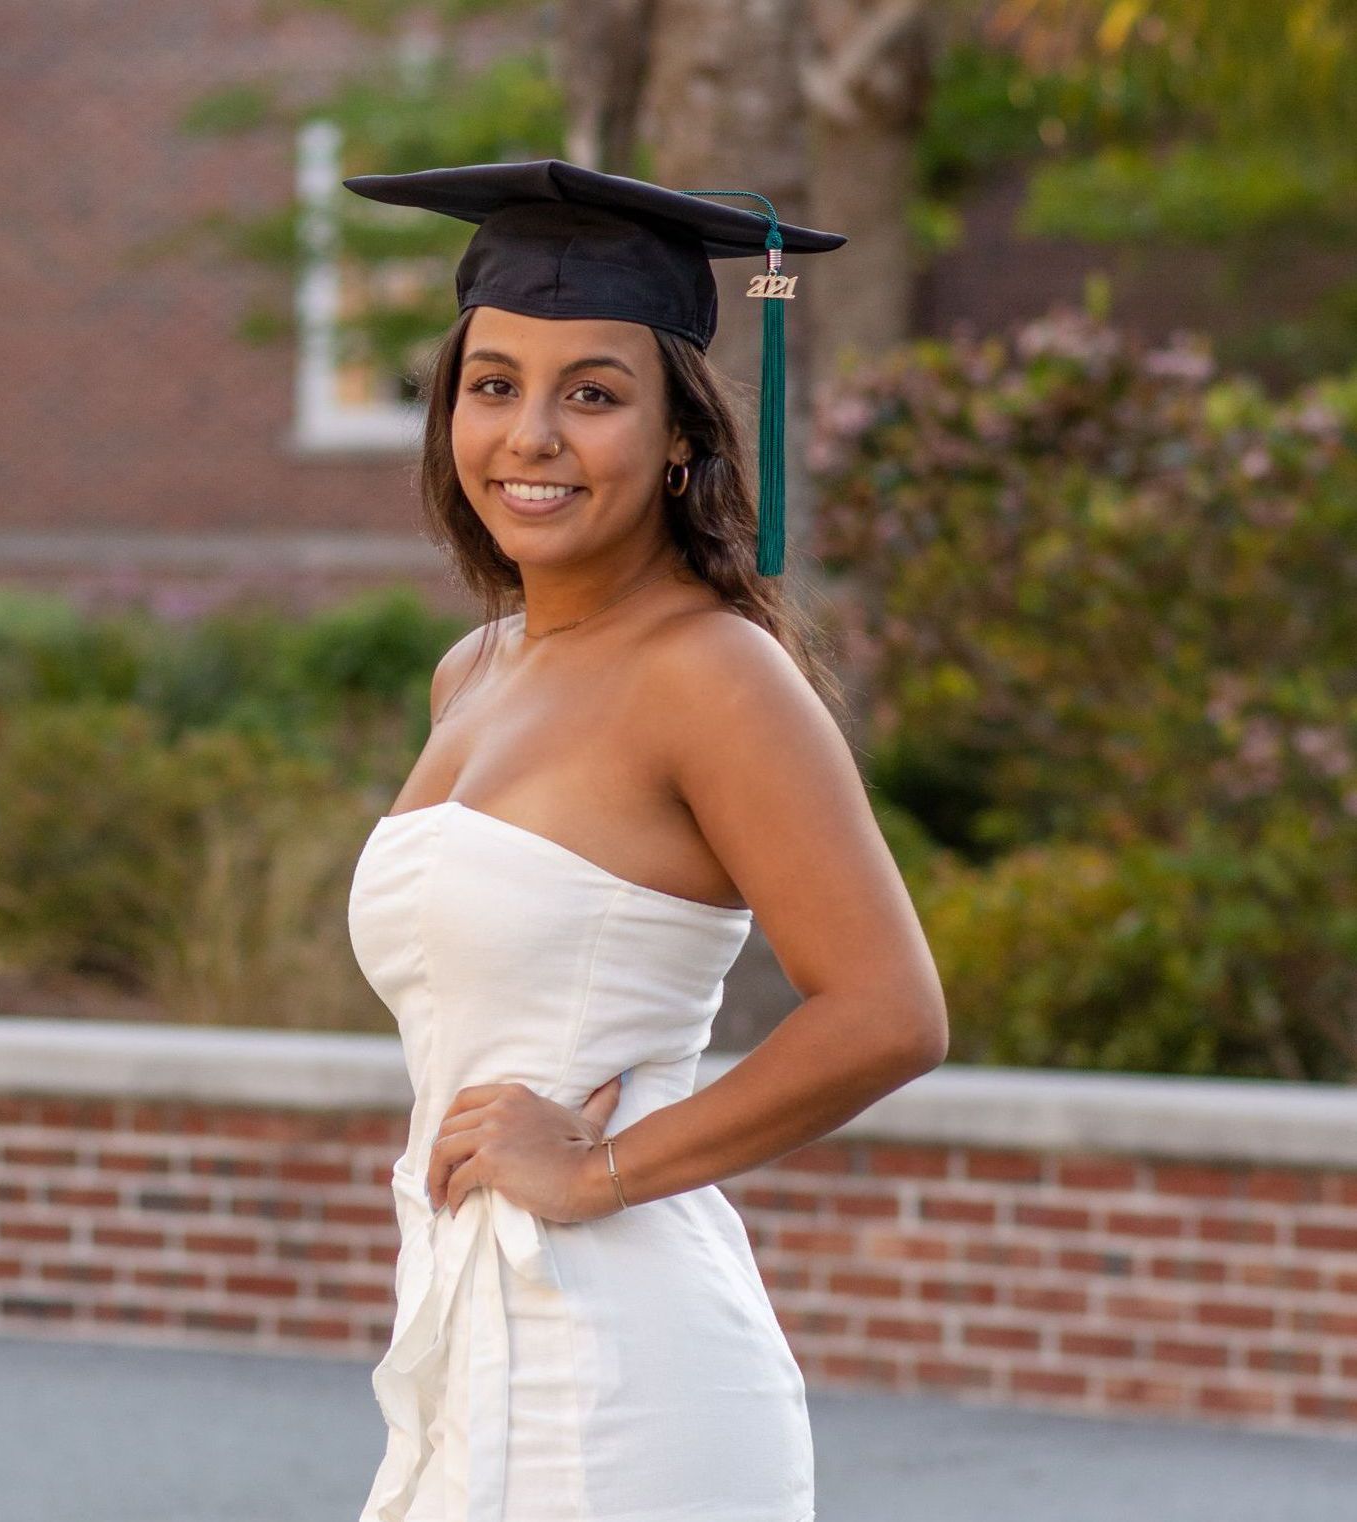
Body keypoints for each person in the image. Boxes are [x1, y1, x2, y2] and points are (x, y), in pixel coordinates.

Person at [343, 158, 948, 1522]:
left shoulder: (712, 672)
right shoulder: (475, 669)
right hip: (464, 1317)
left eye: (594, 393)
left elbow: (888, 1011)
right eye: (492, 385)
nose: (532, 435)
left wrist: (597, 1165)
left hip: (623, 1371)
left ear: (680, 433)